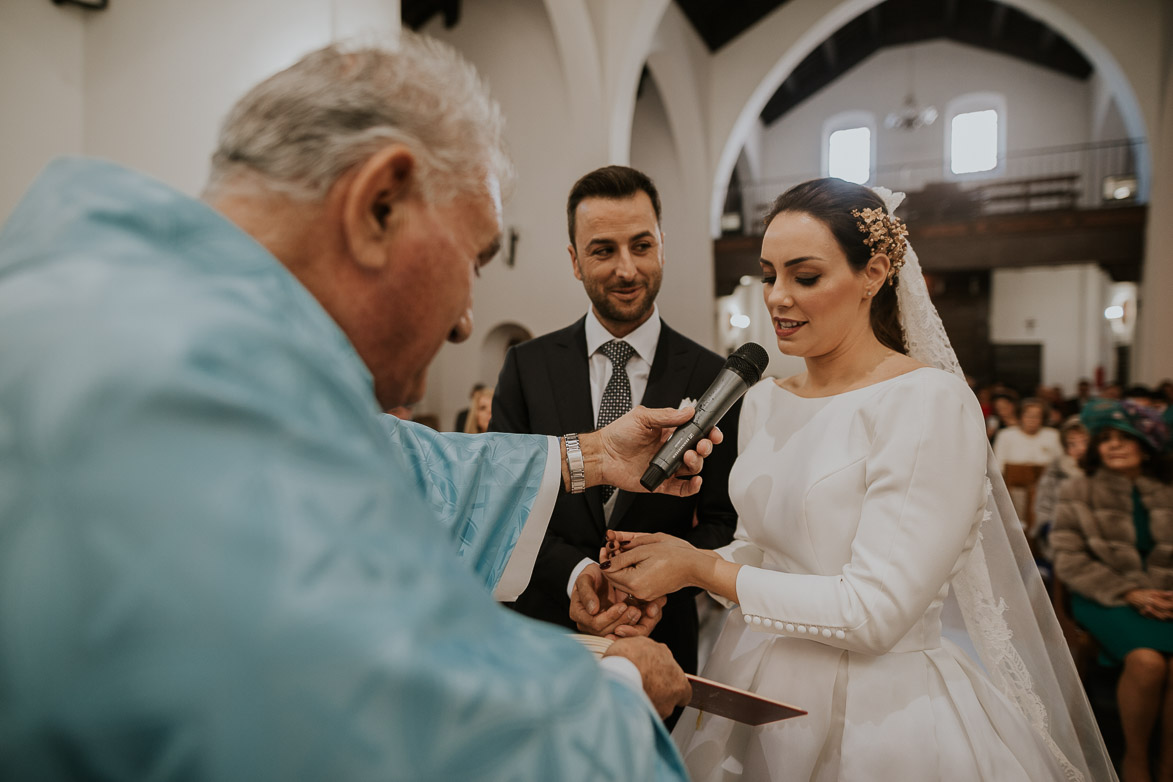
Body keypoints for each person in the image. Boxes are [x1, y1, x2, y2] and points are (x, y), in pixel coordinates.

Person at [0, 33, 721, 780]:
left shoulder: (132, 300)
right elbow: (370, 714)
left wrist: (594, 455)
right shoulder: (165, 389)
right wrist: (621, 690)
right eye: (472, 261)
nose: (464, 322)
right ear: (378, 204)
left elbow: (386, 457)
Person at [598, 178, 1115, 780]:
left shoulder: (927, 402)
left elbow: (875, 611)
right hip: (755, 680)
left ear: (873, 273)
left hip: (879, 711)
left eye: (805, 276)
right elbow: (768, 554)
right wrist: (672, 565)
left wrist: (702, 568)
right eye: (768, 275)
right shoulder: (764, 400)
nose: (777, 298)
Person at [490, 165, 738, 675]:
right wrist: (574, 573)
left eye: (642, 246)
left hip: (661, 637)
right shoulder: (526, 366)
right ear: (575, 260)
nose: (627, 269)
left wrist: (664, 575)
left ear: (662, 246)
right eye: (603, 250)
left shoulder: (714, 376)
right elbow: (504, 498)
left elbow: (724, 520)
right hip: (543, 632)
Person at [1051, 400, 1173, 782]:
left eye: (1126, 438)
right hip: (1104, 597)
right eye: (1105, 439)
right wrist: (1129, 592)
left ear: (1147, 446)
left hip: (1165, 600)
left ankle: (1168, 763)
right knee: (1148, 662)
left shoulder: (1166, 491)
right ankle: (1135, 760)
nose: (1114, 446)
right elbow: (1068, 559)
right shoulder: (1078, 490)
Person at [1031, 416, 1089, 564]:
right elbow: (1043, 505)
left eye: (1084, 442)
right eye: (1072, 444)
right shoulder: (1056, 470)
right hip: (1061, 531)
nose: (1080, 448)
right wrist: (1049, 526)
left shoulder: (1100, 471)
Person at [993, 397, 1063, 467]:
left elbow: (1060, 462)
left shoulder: (1053, 435)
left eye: (1037, 416)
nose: (1032, 419)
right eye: (1028, 415)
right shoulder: (1005, 435)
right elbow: (998, 464)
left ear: (1043, 418)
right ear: (1020, 417)